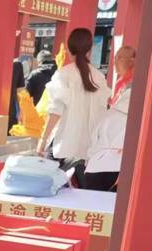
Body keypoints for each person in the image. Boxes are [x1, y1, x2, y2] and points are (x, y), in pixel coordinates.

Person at [37, 28, 109, 166]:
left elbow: (55, 112)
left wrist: (43, 140)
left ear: (69, 49)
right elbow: (102, 114)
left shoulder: (63, 75)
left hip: (65, 146)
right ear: (89, 49)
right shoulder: (99, 77)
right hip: (90, 150)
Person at [83, 86, 131, 192]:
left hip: (97, 166)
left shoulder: (109, 115)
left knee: (92, 205)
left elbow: (93, 141)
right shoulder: (143, 120)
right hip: (123, 169)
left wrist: (88, 162)